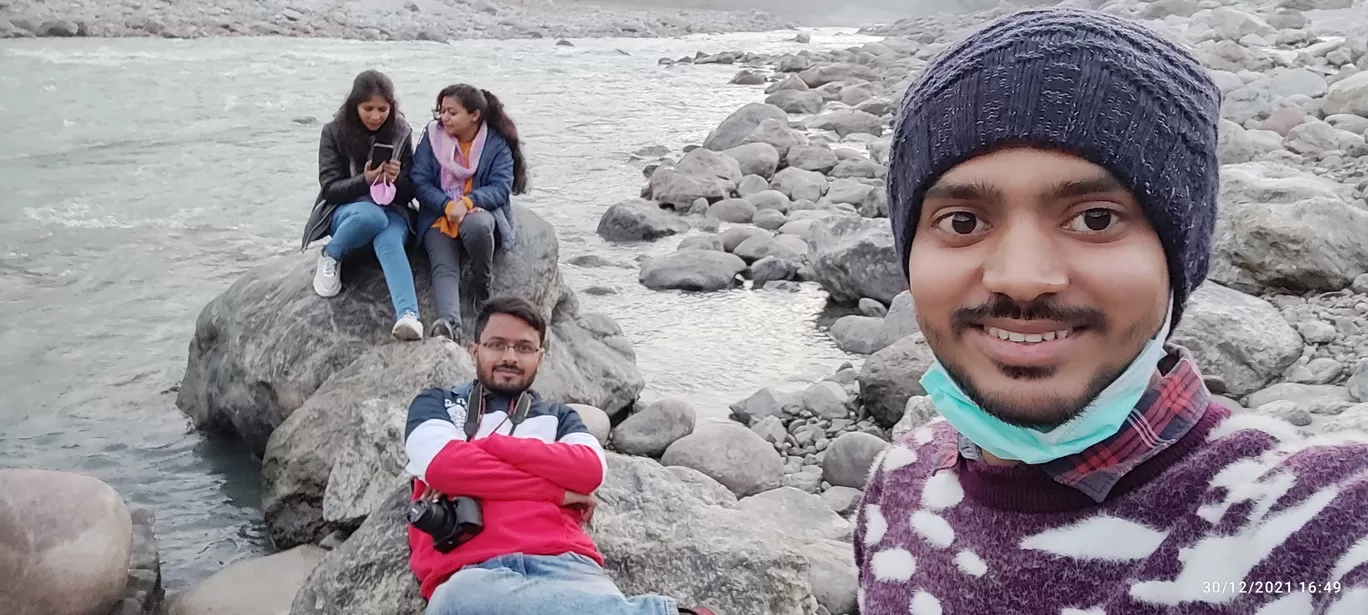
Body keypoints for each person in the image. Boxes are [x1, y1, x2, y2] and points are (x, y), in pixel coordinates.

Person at [854, 8, 1368, 615]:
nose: (1022, 277)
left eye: (1095, 218)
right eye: (962, 222)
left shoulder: (1311, 521)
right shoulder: (899, 482)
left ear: (1177, 259)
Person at [403, 296, 716, 615]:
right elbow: (445, 467)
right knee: (456, 599)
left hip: (567, 563)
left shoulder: (560, 417)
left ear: (540, 357)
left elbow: (589, 471)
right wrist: (554, 491)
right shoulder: (436, 405)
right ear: (475, 350)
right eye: (497, 344)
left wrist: (487, 448)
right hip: (471, 571)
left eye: (524, 347)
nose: (510, 357)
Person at [301, 69, 424, 340]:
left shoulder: (401, 132)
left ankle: (408, 316)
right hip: (347, 211)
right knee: (371, 217)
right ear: (354, 104)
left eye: (382, 109)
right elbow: (331, 189)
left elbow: (411, 189)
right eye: (368, 108)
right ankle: (331, 254)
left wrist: (397, 179)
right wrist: (364, 180)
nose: (375, 116)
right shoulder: (333, 132)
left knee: (389, 238)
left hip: (392, 209)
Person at [411, 84, 529, 344]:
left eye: (452, 112)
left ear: (474, 115)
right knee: (443, 266)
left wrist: (469, 201)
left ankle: (482, 283)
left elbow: (500, 187)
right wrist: (446, 205)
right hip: (439, 217)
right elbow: (418, 181)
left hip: (479, 213)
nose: (444, 118)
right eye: (441, 111)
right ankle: (450, 326)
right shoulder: (431, 139)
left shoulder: (495, 144)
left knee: (477, 226)